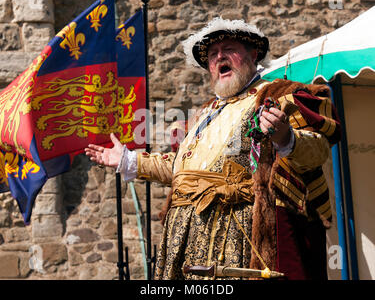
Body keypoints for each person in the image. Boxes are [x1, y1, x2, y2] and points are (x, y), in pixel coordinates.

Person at [85, 17, 341, 280]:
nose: (220, 58)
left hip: (233, 236)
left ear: (253, 55)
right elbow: (181, 169)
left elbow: (319, 149)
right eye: (213, 55)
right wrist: (128, 160)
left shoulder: (276, 96)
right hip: (183, 240)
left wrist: (286, 137)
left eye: (229, 49)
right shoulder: (205, 112)